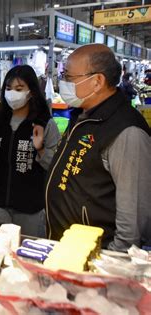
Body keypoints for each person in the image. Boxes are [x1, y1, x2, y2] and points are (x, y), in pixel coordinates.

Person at [46, 44, 151, 251]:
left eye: (68, 77)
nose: (63, 83)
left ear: (97, 81)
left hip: (95, 258)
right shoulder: (83, 116)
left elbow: (133, 220)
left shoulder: (126, 131)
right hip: (68, 250)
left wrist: (110, 263)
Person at [0, 65, 61, 237]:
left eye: (19, 89)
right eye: (8, 88)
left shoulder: (44, 124)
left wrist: (40, 148)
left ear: (32, 92)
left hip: (29, 204)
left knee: (23, 251)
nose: (12, 93)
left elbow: (55, 163)